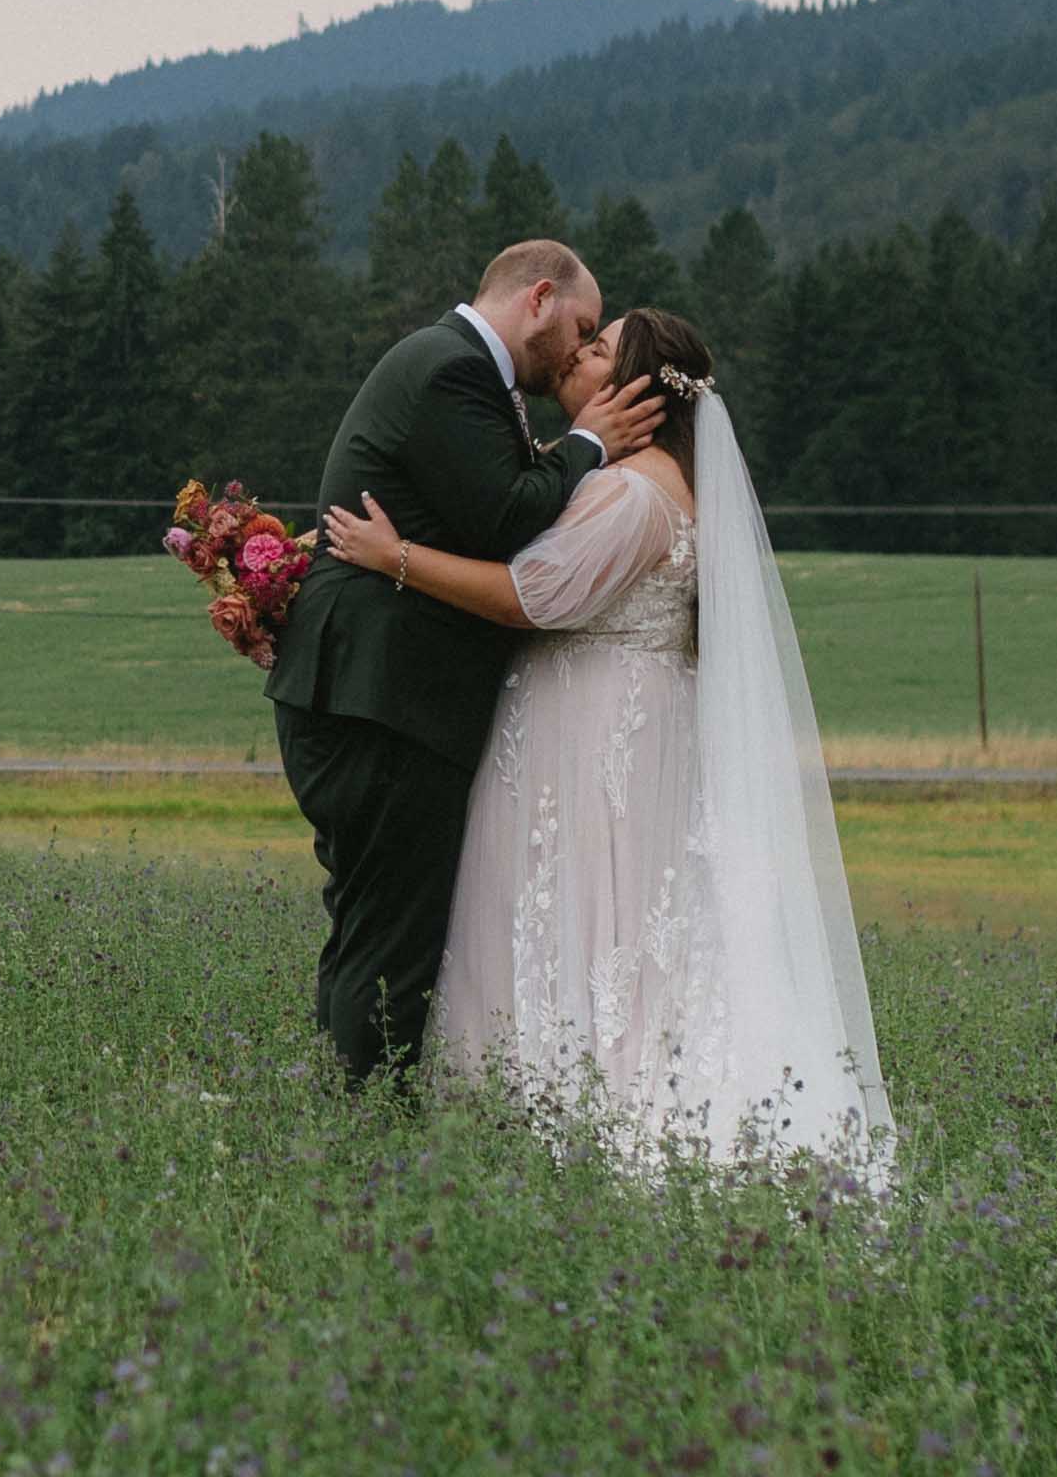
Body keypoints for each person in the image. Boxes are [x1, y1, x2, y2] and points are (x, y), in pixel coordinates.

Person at [315, 307, 893, 1187]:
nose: (576, 359)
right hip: (614, 724)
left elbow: (529, 595)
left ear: (632, 392)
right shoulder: (648, 482)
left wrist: (395, 557)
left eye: (595, 351)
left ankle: (581, 1111)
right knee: (604, 919)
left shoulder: (633, 493)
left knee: (587, 915)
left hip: (593, 740)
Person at [264, 239, 658, 1081]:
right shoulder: (452, 370)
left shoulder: (454, 367)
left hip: (366, 693)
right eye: (582, 327)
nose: (581, 348)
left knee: (370, 922)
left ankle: (344, 1113)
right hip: (385, 700)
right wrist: (585, 443)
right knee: (393, 942)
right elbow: (508, 518)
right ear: (540, 299)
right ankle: (369, 1129)